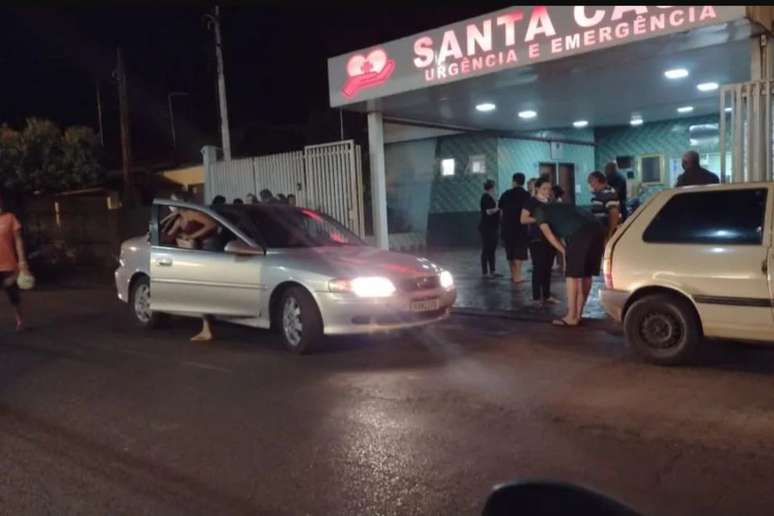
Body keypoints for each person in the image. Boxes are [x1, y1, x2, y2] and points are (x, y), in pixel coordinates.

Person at [532, 202, 605, 327]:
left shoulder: (539, 211)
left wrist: (564, 251)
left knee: (572, 275)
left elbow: (549, 236)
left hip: (579, 232)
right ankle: (578, 315)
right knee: (586, 273)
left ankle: (571, 316)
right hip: (598, 228)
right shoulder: (559, 207)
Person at [165, 196, 219, 341]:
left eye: (173, 202)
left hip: (208, 250)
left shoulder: (193, 213)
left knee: (203, 288)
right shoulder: (178, 219)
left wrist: (192, 236)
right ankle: (206, 327)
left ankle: (207, 328)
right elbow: (169, 235)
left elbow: (212, 224)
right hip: (194, 253)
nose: (171, 206)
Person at [521, 177, 559, 306]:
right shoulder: (531, 202)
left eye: (549, 188)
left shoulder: (549, 201)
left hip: (550, 239)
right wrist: (539, 218)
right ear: (537, 188)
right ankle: (536, 297)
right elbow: (523, 219)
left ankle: (547, 295)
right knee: (538, 268)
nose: (547, 191)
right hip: (537, 239)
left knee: (548, 268)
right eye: (544, 188)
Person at [0, 193, 29, 331]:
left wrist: (22, 261)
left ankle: (20, 320)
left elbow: (18, 240)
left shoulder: (10, 218)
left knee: (13, 296)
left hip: (8, 265)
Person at [498, 173, 530, 283]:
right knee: (519, 253)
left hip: (507, 228)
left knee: (510, 252)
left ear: (514, 182)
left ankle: (513, 275)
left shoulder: (506, 194)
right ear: (523, 182)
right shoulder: (526, 195)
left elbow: (501, 211)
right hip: (521, 228)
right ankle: (518, 276)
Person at [588, 171, 621, 243]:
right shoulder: (600, 193)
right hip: (600, 231)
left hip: (606, 233)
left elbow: (614, 213)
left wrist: (610, 233)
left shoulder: (608, 193)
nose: (589, 184)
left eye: (590, 181)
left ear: (596, 180)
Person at [479, 179, 500, 277]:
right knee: (487, 248)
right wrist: (497, 208)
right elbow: (488, 211)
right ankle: (485, 272)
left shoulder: (490, 197)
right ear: (491, 187)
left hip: (492, 226)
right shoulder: (485, 197)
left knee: (492, 249)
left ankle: (492, 270)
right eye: (494, 187)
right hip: (487, 227)